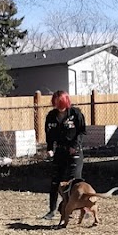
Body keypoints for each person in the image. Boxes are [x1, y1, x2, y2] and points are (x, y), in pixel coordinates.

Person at [42, 90, 86, 221]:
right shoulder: (51, 116)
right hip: (60, 152)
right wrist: (50, 148)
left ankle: (75, 208)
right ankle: (51, 211)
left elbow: (82, 131)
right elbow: (48, 135)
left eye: (60, 102)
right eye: (55, 103)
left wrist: (75, 146)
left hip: (74, 151)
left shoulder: (75, 113)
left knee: (74, 182)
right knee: (55, 182)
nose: (58, 106)